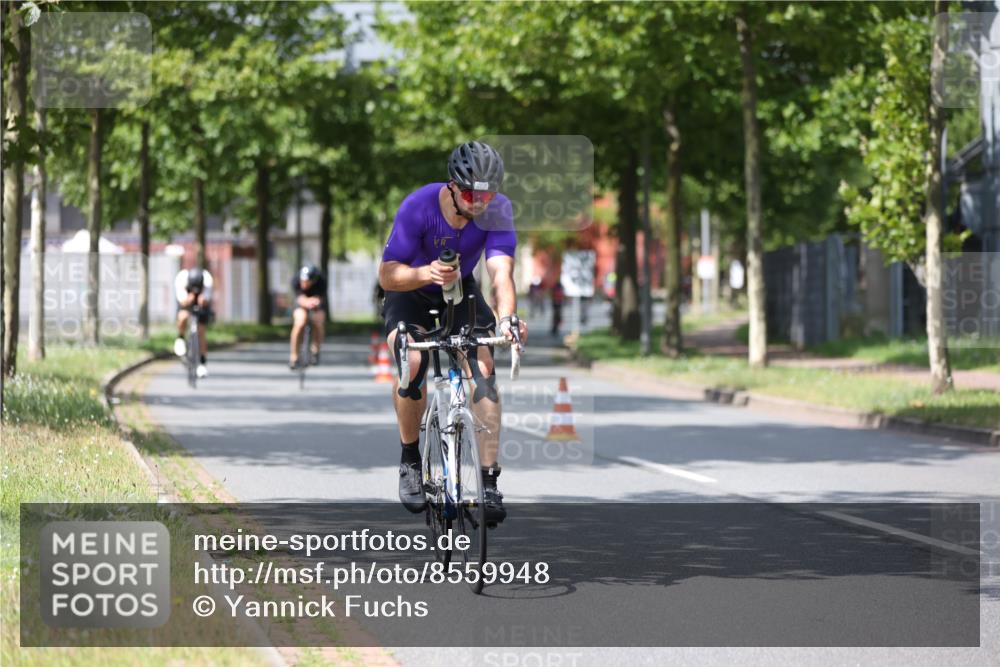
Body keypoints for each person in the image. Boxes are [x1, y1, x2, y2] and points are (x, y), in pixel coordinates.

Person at [379, 140, 528, 524]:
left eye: (487, 195)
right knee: (412, 362)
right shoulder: (419, 205)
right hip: (410, 290)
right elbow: (387, 274)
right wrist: (424, 273)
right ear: (451, 186)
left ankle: (489, 481)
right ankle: (411, 459)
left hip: (459, 293)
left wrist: (508, 317)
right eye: (469, 193)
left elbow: (500, 273)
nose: (479, 203)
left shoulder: (497, 211)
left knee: (483, 368)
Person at [173, 266, 214, 379]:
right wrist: (189, 298)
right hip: (186, 301)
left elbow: (207, 299)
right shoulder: (181, 279)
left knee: (201, 331)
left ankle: (202, 363)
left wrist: (203, 299)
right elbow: (182, 302)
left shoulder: (207, 280)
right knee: (183, 317)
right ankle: (180, 337)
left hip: (201, 303)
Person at [289, 263, 328, 369]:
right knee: (299, 322)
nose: (304, 284)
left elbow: (321, 298)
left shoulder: (321, 281)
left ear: (313, 280)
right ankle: (294, 356)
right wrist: (307, 302)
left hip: (316, 301)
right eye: (303, 281)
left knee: (318, 322)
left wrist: (315, 302)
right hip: (302, 301)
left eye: (307, 282)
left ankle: (315, 350)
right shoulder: (295, 280)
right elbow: (299, 298)